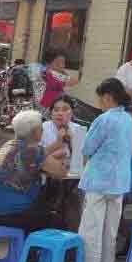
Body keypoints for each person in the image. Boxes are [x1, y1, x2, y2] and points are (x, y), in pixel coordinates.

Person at [78, 78, 132, 262]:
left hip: (98, 182)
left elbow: (87, 148)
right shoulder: (129, 120)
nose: (99, 102)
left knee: (91, 235)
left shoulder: (103, 119)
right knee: (110, 236)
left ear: (107, 97)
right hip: (119, 184)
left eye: (100, 98)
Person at [0, 110, 67, 233]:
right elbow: (61, 173)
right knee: (56, 220)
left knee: (38, 209)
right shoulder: (34, 152)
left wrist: (57, 144)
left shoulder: (9, 145)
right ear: (36, 132)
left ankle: (26, 244)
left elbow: (34, 156)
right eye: (41, 128)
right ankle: (32, 246)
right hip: (6, 214)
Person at [41, 95, 86, 231]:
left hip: (73, 179)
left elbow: (83, 160)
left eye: (65, 109)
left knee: (75, 196)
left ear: (72, 113)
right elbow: (37, 157)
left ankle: (72, 232)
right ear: (51, 113)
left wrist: (73, 141)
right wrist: (58, 150)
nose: (60, 113)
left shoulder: (78, 129)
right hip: (47, 178)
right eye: (56, 110)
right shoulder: (43, 128)